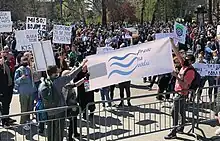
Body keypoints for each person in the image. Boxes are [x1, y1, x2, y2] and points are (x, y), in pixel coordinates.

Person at [38, 59, 87, 141]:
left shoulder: (42, 84)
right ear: (54, 73)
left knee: (50, 130)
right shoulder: (58, 82)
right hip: (60, 110)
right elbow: (71, 76)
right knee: (59, 131)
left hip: (49, 111)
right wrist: (81, 65)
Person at [165, 39, 196, 139]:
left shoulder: (190, 71)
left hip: (181, 93)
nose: (184, 59)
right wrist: (172, 43)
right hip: (179, 93)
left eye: (187, 58)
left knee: (174, 111)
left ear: (191, 61)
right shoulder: (184, 65)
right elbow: (177, 54)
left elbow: (186, 84)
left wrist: (176, 76)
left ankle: (173, 131)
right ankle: (181, 128)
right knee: (181, 112)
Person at [61, 70, 86, 140]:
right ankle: (69, 137)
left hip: (72, 105)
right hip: (67, 106)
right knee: (71, 122)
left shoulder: (68, 82)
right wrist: (84, 79)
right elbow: (75, 85)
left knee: (74, 120)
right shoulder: (65, 84)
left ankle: (75, 133)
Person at [14, 56, 36, 130]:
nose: (25, 61)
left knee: (30, 106)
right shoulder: (18, 70)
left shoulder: (29, 69)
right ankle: (23, 122)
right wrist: (21, 78)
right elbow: (16, 81)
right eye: (23, 60)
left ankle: (28, 120)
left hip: (30, 90)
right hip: (23, 91)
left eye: (26, 60)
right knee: (24, 107)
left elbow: (33, 78)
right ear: (20, 61)